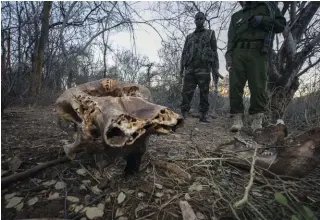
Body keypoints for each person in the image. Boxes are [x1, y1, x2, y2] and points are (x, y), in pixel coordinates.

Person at [225, 1, 286, 132]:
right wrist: (228, 56)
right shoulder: (237, 15)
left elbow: (281, 25)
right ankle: (237, 119)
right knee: (235, 86)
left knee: (258, 86)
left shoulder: (268, 7)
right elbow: (231, 38)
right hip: (238, 52)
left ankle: (256, 121)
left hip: (258, 52)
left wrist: (263, 20)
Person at [180, 12, 220, 123]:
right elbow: (184, 53)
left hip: (204, 67)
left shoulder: (210, 34)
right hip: (190, 68)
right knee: (186, 91)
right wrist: (181, 68)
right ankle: (184, 113)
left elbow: (214, 51)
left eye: (201, 18)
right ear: (194, 20)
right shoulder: (189, 37)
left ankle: (203, 115)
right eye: (196, 18)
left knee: (204, 92)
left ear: (204, 20)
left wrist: (215, 68)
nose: (198, 20)